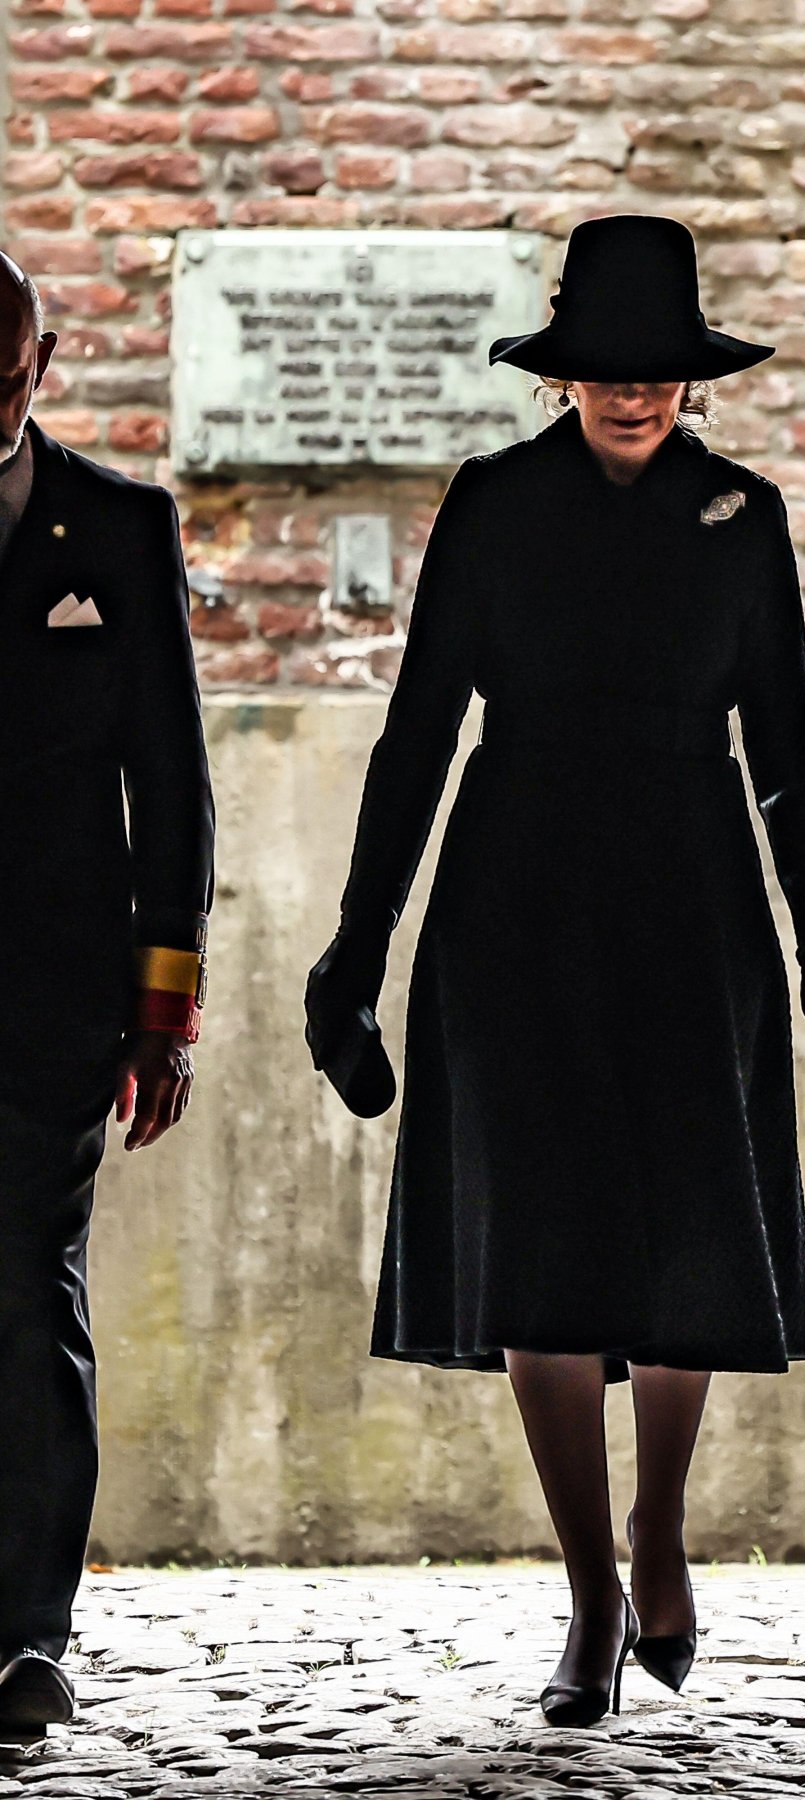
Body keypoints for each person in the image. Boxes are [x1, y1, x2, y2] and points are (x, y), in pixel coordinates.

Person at [307, 214, 805, 1722]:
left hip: (697, 900)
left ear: (693, 376)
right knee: (542, 1246)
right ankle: (586, 1590)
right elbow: (418, 730)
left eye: (661, 374)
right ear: (564, 370)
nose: (636, 396)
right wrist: (354, 952)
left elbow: (788, 752)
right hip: (518, 905)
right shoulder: (492, 507)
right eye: (608, 372)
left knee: (689, 1228)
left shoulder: (742, 514)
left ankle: (663, 1529)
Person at [0, 252, 214, 1729]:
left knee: (26, 1295)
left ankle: (28, 1632)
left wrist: (163, 1010)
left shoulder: (120, 530)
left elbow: (176, 786)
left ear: (46, 361)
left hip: (54, 993)